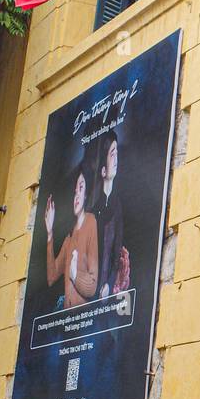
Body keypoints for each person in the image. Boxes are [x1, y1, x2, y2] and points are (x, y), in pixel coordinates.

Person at [44, 165, 99, 309]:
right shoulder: (70, 237)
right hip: (66, 319)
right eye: (75, 191)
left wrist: (75, 276)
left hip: (83, 319)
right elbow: (51, 277)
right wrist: (50, 233)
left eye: (80, 188)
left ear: (87, 194)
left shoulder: (91, 221)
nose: (76, 195)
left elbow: (92, 285)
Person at [93, 131, 128, 298]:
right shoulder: (92, 212)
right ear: (103, 171)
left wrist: (109, 282)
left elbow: (117, 251)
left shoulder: (118, 206)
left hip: (106, 293)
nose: (116, 159)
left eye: (117, 154)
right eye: (111, 154)